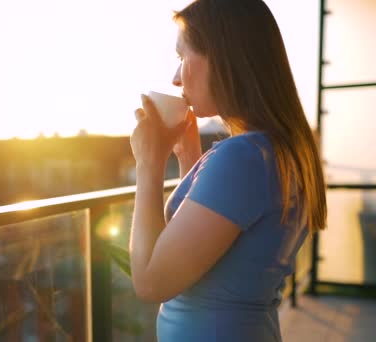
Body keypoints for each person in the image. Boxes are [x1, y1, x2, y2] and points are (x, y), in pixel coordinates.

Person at [129, 0, 327, 341]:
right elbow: (214, 238)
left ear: (223, 58)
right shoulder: (272, 150)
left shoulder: (243, 157)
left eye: (182, 57)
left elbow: (150, 282)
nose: (175, 79)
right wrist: (189, 156)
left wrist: (148, 164)